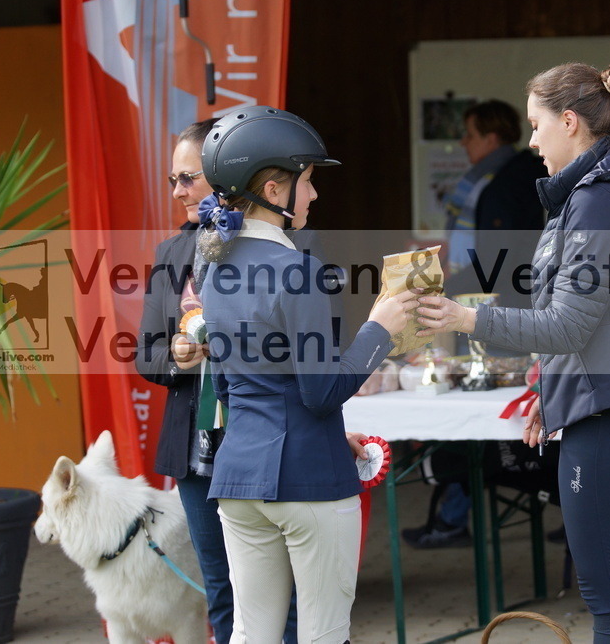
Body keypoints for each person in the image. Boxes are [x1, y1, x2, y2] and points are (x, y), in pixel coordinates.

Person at [415, 60, 610, 643]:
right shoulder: (592, 196)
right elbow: (588, 324)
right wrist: (555, 389)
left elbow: (567, 324)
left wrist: (468, 318)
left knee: (606, 595)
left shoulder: (602, 200)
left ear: (570, 122)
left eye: (538, 124)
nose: (532, 139)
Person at [198, 106, 418, 643]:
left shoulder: (210, 269)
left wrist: (328, 433)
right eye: (308, 181)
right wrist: (379, 329)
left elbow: (229, 389)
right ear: (274, 190)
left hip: (238, 478)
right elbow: (320, 392)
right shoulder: (300, 271)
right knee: (324, 635)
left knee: (251, 635)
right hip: (309, 480)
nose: (314, 195)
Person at [404, 99, 546, 550]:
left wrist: (453, 287)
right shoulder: (506, 176)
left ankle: (452, 518)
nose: (462, 144)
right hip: (511, 307)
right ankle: (560, 501)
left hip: (498, 311)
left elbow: (498, 260)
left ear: (490, 137)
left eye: (469, 134)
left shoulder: (503, 183)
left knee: (474, 412)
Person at [136, 117, 243, 644]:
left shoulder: (268, 242)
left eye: (187, 178)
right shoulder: (171, 253)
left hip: (256, 437)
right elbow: (144, 355)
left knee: (273, 584)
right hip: (195, 446)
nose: (177, 191)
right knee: (220, 585)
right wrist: (179, 356)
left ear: (222, 176)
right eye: (173, 180)